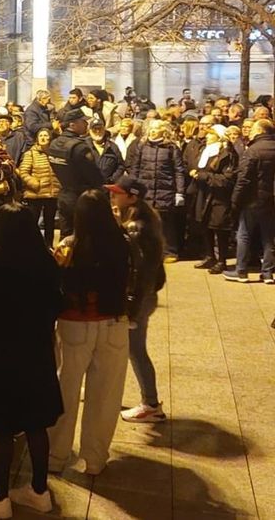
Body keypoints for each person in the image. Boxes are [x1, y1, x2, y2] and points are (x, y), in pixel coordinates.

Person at [0, 204, 63, 518]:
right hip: (34, 351)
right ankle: (39, 491)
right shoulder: (44, 261)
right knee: (36, 423)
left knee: (3, 426)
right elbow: (56, 303)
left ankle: (1, 497)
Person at [48, 189, 133, 476]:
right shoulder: (123, 243)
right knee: (106, 395)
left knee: (65, 392)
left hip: (75, 322)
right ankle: (95, 459)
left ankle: (55, 456)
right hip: (115, 323)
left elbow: (56, 281)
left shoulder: (71, 245)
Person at [107, 175, 169, 424]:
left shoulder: (137, 227)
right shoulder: (140, 218)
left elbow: (140, 271)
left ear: (131, 196)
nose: (113, 195)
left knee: (136, 350)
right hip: (143, 295)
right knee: (131, 349)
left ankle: (151, 404)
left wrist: (132, 307)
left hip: (139, 298)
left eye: (117, 193)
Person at [125, 121, 187, 261]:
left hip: (165, 190)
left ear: (163, 130)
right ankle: (147, 251)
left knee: (166, 223)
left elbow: (179, 171)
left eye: (156, 128)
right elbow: (135, 169)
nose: (153, 131)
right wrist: (133, 188)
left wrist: (179, 192)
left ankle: (170, 251)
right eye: (151, 128)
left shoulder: (171, 148)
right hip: (146, 190)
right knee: (145, 222)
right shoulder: (142, 146)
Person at [226, 119, 275, 283]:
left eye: (253, 128)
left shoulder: (252, 150)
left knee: (244, 234)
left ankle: (241, 270)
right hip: (270, 199)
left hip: (252, 199)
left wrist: (235, 199)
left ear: (260, 130)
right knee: (268, 237)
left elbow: (243, 179)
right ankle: (267, 272)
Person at [48, 110, 105, 236]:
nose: (86, 124)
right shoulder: (79, 147)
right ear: (72, 125)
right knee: (85, 237)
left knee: (66, 238)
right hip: (82, 198)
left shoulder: (53, 144)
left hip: (63, 195)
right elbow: (94, 176)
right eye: (83, 121)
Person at [189, 125, 237, 274]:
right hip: (204, 194)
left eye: (211, 134)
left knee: (220, 228)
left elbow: (226, 180)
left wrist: (204, 176)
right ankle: (210, 256)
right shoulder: (206, 151)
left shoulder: (227, 154)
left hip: (219, 197)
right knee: (206, 225)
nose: (207, 137)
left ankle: (221, 260)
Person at [20, 127, 61, 246]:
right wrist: (34, 184)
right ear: (37, 139)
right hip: (35, 194)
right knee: (33, 222)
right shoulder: (30, 154)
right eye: (40, 136)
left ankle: (49, 246)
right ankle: (32, 246)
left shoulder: (55, 153)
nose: (43, 138)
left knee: (50, 223)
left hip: (52, 194)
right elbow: (23, 172)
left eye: (46, 135)